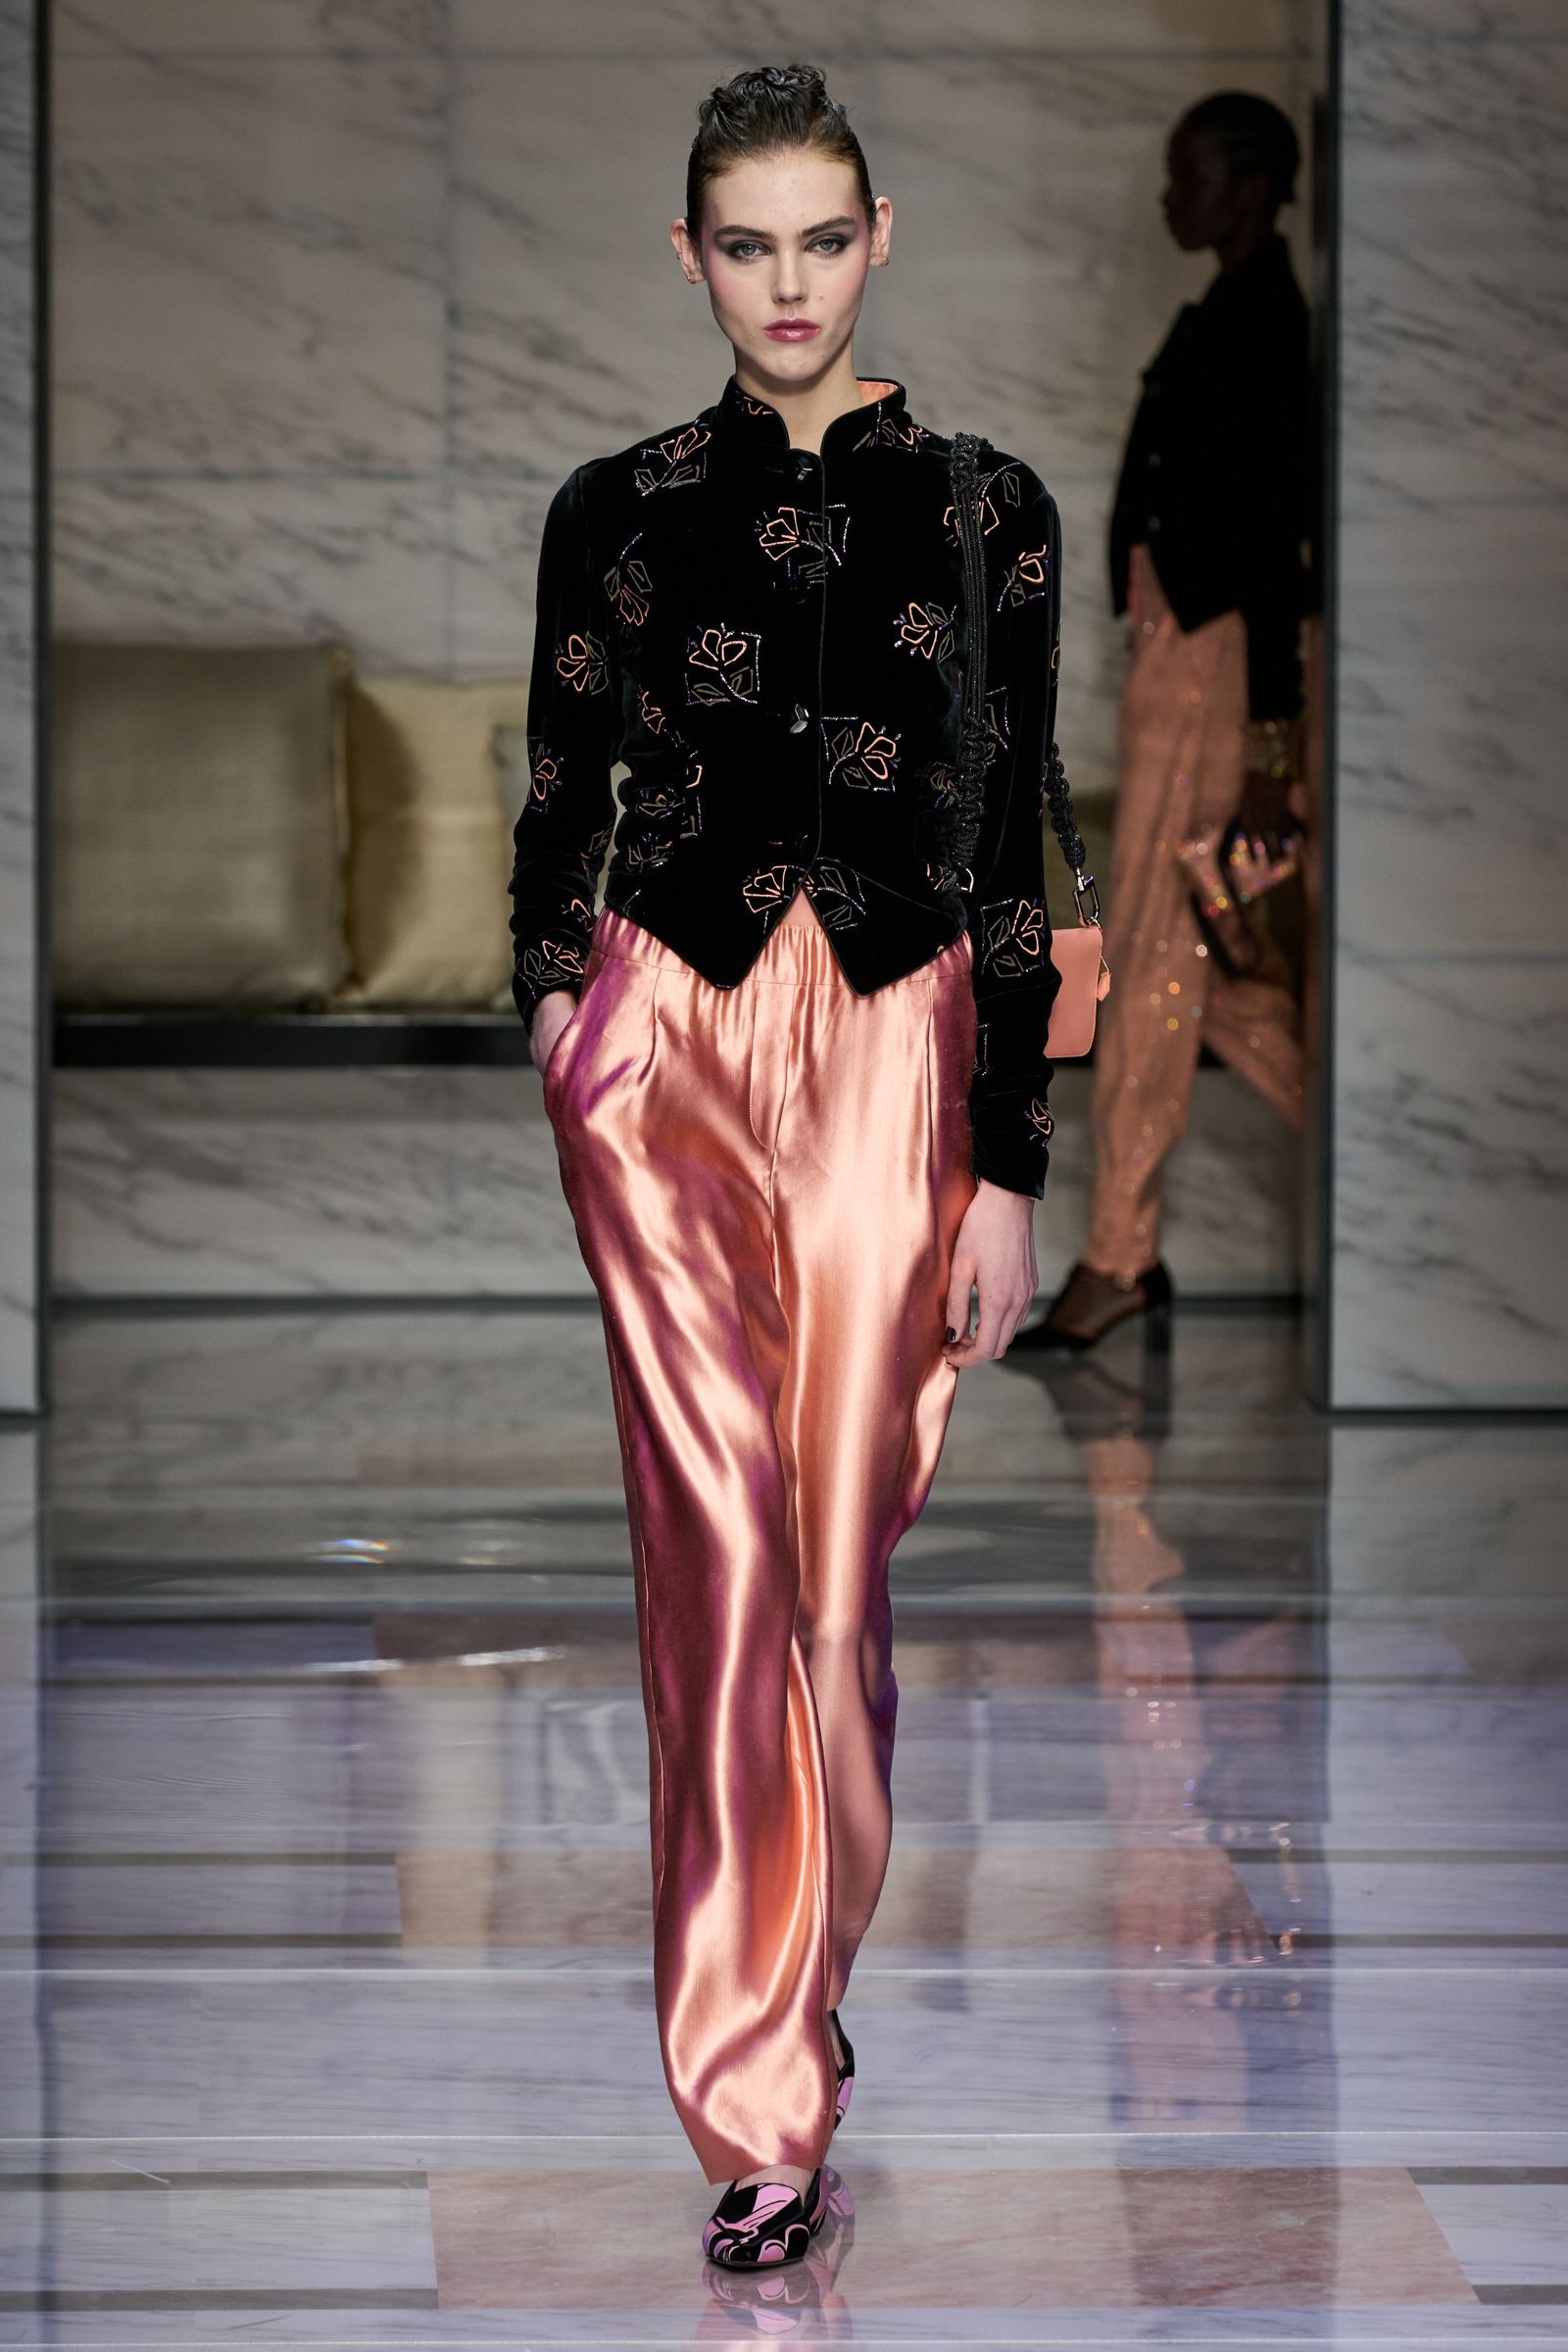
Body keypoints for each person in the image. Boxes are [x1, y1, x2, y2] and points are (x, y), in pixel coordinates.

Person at [510, 65, 1063, 2269]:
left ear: (877, 236)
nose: (788, 285)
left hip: (897, 1044)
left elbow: (1014, 834)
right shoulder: (616, 507)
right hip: (664, 1044)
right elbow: (559, 785)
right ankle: (757, 2113)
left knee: (836, 1583)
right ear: (690, 257)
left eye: (822, 239)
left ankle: (805, 1987)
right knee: (718, 1573)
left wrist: (1009, 1163)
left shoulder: (989, 509)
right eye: (745, 246)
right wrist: (558, 1009)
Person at [1028, 91, 1318, 1351]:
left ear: (1248, 189)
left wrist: (1267, 749)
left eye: (1188, 180)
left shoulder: (1265, 323)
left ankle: (1120, 1258)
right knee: (1214, 963)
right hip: (1183, 665)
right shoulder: (1235, 309)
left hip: (1215, 674)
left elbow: (1271, 554)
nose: (1168, 200)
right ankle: (1131, 1254)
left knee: (1157, 960)